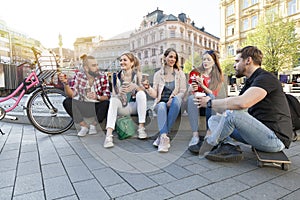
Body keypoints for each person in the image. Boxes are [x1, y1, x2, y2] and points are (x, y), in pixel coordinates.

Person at [194, 46, 294, 162]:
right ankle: (228, 147)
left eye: (237, 61)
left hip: (275, 139)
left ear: (248, 61)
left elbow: (242, 103)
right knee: (214, 119)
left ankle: (209, 143)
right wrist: (212, 102)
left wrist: (210, 103)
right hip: (256, 133)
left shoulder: (265, 78)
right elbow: (231, 106)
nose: (234, 65)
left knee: (233, 114)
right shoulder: (249, 82)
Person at [142, 48, 187, 152]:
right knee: (162, 105)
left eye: (175, 57)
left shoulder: (180, 74)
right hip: (161, 103)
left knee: (176, 100)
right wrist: (148, 88)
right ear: (165, 58)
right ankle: (164, 137)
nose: (173, 59)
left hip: (174, 103)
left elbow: (183, 91)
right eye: (170, 56)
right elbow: (155, 95)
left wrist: (172, 97)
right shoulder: (158, 74)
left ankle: (162, 137)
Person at [59, 54, 111, 137]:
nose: (97, 67)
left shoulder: (103, 76)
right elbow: (72, 95)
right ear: (86, 68)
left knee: (106, 103)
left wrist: (96, 97)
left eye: (97, 65)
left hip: (96, 105)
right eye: (94, 66)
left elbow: (107, 96)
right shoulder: (79, 76)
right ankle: (84, 126)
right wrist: (66, 84)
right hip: (84, 105)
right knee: (67, 102)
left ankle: (93, 125)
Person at [104, 52, 147, 148]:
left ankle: (141, 128)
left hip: (133, 106)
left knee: (141, 94)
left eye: (125, 60)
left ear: (132, 63)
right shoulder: (115, 76)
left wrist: (135, 86)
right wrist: (119, 92)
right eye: (121, 60)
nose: (122, 62)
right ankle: (108, 136)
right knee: (113, 100)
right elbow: (113, 95)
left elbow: (143, 91)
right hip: (123, 106)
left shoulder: (137, 75)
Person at [186, 50, 223, 150]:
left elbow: (214, 94)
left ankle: (209, 133)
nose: (205, 62)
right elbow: (189, 92)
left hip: (209, 103)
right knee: (190, 99)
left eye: (208, 59)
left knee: (211, 98)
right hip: (196, 102)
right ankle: (195, 135)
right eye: (204, 59)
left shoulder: (217, 76)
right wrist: (191, 88)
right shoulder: (195, 72)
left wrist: (202, 85)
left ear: (214, 62)